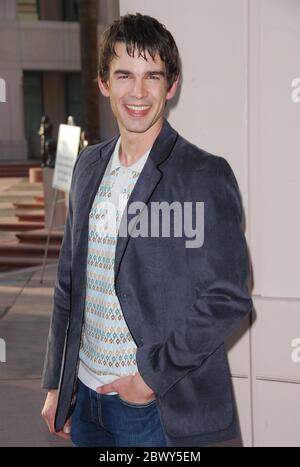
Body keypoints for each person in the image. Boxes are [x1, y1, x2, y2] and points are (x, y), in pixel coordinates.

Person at [41, 13, 253, 447]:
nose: (138, 92)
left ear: (170, 86)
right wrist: (55, 383)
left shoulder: (203, 174)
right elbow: (68, 283)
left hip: (155, 407)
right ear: (104, 83)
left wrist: (148, 380)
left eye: (152, 76)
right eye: (124, 75)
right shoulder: (88, 166)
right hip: (84, 399)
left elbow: (228, 297)